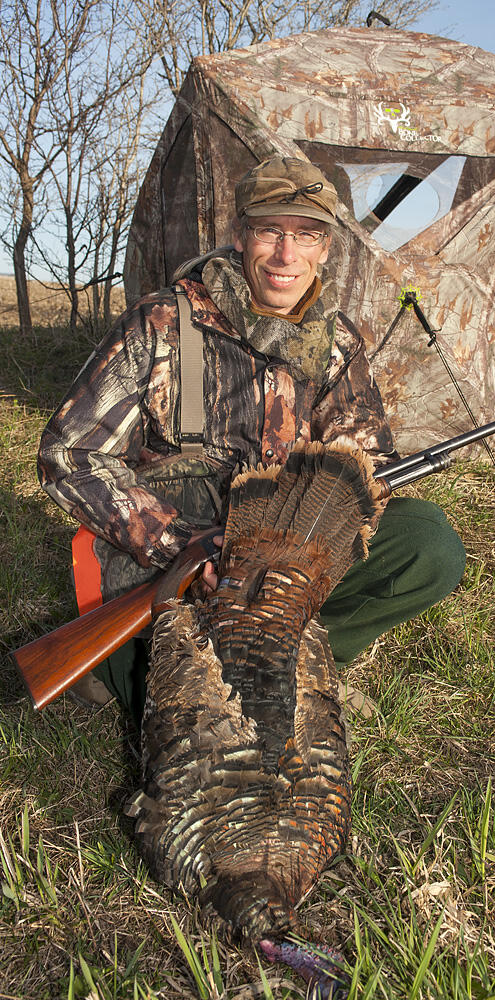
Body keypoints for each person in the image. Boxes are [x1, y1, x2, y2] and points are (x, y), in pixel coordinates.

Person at [38, 156, 466, 727]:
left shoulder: (336, 342)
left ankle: (303, 658)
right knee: (177, 716)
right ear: (240, 235)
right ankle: (127, 667)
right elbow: (70, 455)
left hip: (282, 553)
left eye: (307, 235)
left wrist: (306, 538)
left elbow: (363, 465)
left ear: (326, 247)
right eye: (271, 231)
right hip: (176, 556)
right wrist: (180, 545)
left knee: (427, 543)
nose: (287, 255)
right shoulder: (163, 321)